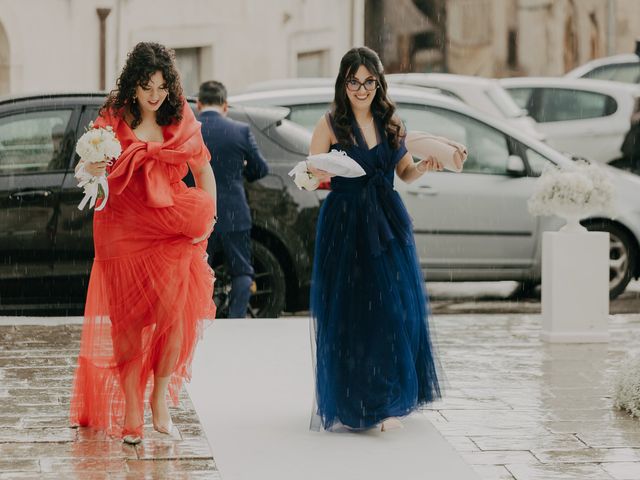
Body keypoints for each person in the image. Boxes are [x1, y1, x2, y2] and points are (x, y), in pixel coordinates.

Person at [69, 42, 217, 444]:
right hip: (121, 227)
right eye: (146, 86)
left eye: (161, 87)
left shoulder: (180, 114)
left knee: (171, 317)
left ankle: (160, 397)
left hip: (169, 225)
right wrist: (93, 165)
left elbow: (204, 173)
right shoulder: (114, 114)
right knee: (128, 324)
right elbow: (86, 166)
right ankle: (133, 405)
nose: (155, 95)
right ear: (132, 85)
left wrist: (209, 219)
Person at [308, 47, 442, 432]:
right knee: (351, 313)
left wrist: (423, 167)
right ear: (343, 82)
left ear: (379, 83)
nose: (362, 89)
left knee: (392, 310)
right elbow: (311, 173)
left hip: (386, 221)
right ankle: (357, 401)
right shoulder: (331, 124)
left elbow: (405, 172)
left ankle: (384, 398)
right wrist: (321, 172)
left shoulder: (391, 121)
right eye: (354, 81)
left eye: (369, 81)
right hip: (346, 222)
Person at [196, 80, 269, 318]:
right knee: (242, 271)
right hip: (234, 212)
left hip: (198, 213)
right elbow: (260, 169)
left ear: (199, 104)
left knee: (197, 269)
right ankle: (236, 319)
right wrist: (241, 171)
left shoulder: (191, 130)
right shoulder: (240, 131)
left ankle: (201, 316)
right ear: (225, 105)